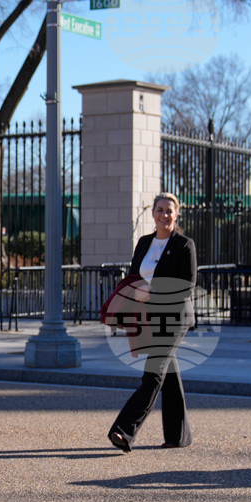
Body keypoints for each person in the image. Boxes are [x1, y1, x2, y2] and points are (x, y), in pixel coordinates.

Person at [107, 192, 197, 452]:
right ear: (153, 213)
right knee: (168, 374)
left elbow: (186, 286)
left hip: (174, 318)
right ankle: (179, 436)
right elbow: (134, 276)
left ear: (176, 214)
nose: (164, 215)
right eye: (159, 210)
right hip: (149, 318)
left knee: (153, 374)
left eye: (169, 210)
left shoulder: (184, 245)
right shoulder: (145, 243)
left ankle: (124, 431)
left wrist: (153, 292)